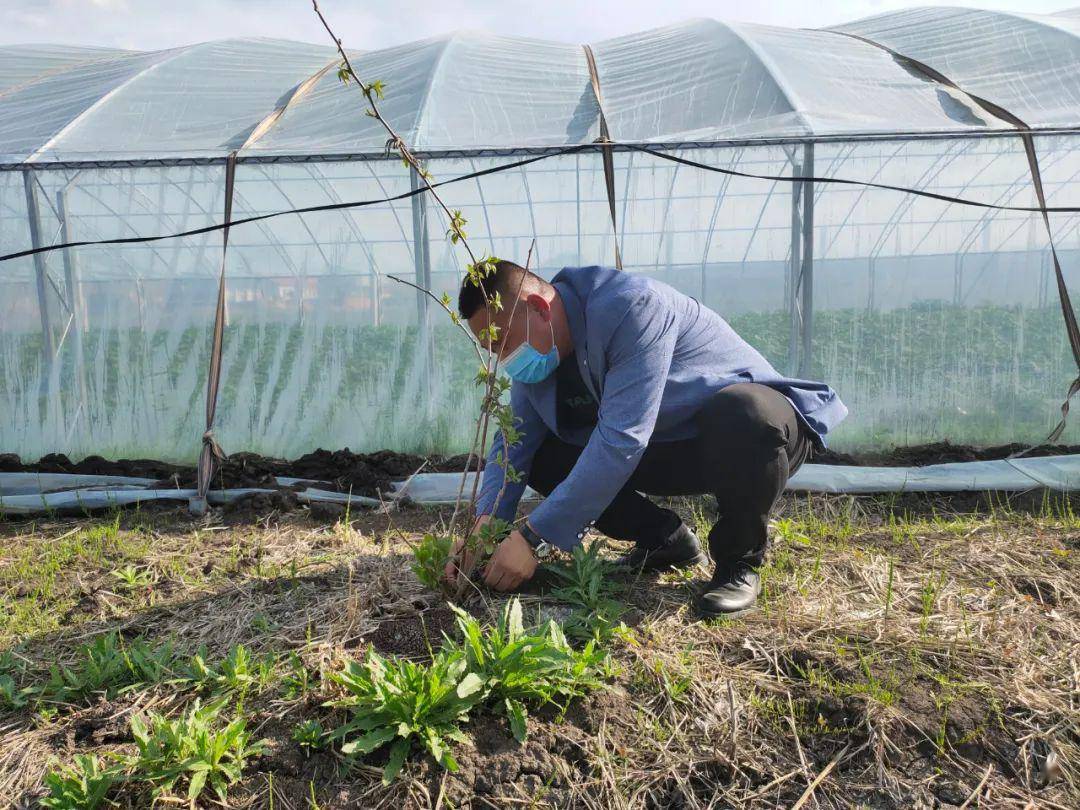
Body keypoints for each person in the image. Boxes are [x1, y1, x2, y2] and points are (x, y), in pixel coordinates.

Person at [444, 261, 847, 616]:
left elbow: (621, 441)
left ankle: (737, 564)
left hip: (753, 438)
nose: (502, 358)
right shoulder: (537, 359)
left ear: (539, 307)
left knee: (743, 413)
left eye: (502, 342)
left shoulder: (629, 307)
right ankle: (665, 540)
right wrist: (485, 527)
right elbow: (512, 446)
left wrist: (532, 539)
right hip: (668, 446)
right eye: (491, 349)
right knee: (546, 453)